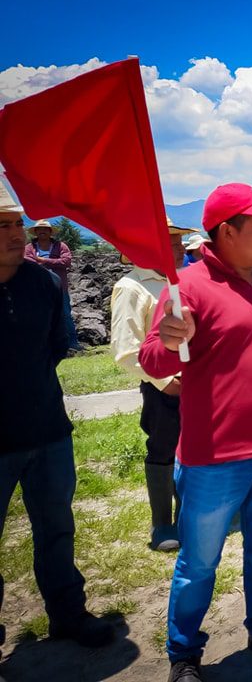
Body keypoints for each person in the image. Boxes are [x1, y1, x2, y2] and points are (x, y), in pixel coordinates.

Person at [139, 183, 252, 682]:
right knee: (199, 563)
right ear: (226, 232)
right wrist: (170, 339)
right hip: (212, 458)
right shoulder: (189, 287)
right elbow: (152, 358)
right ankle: (184, 654)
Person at [0, 192, 115, 654]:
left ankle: (68, 614)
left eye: (15, 224)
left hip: (48, 429)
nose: (14, 234)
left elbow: (58, 343)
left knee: (56, 526)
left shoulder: (45, 284)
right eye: (1, 227)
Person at [110, 217, 197, 552]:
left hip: (193, 385)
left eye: (179, 242)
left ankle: (189, 516)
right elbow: (125, 350)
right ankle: (162, 523)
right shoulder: (132, 287)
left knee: (192, 449)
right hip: (162, 387)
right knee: (162, 448)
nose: (179, 249)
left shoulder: (181, 282)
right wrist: (164, 381)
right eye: (171, 243)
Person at [24, 218, 81, 351]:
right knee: (39, 315)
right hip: (37, 288)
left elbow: (66, 261)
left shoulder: (61, 246)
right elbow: (26, 262)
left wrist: (44, 260)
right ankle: (44, 344)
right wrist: (49, 262)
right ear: (36, 232)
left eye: (45, 229)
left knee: (65, 314)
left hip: (59, 287)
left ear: (50, 232)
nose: (42, 231)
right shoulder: (29, 248)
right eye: (39, 229)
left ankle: (73, 342)